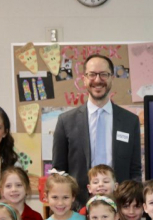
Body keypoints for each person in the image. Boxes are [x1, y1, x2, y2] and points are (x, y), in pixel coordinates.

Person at [52, 54, 141, 207]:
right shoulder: (65, 121)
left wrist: (131, 203)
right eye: (92, 74)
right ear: (84, 79)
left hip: (119, 207)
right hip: (79, 208)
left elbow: (135, 170)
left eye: (104, 74)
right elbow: (59, 171)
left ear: (112, 78)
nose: (98, 80)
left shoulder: (130, 121)